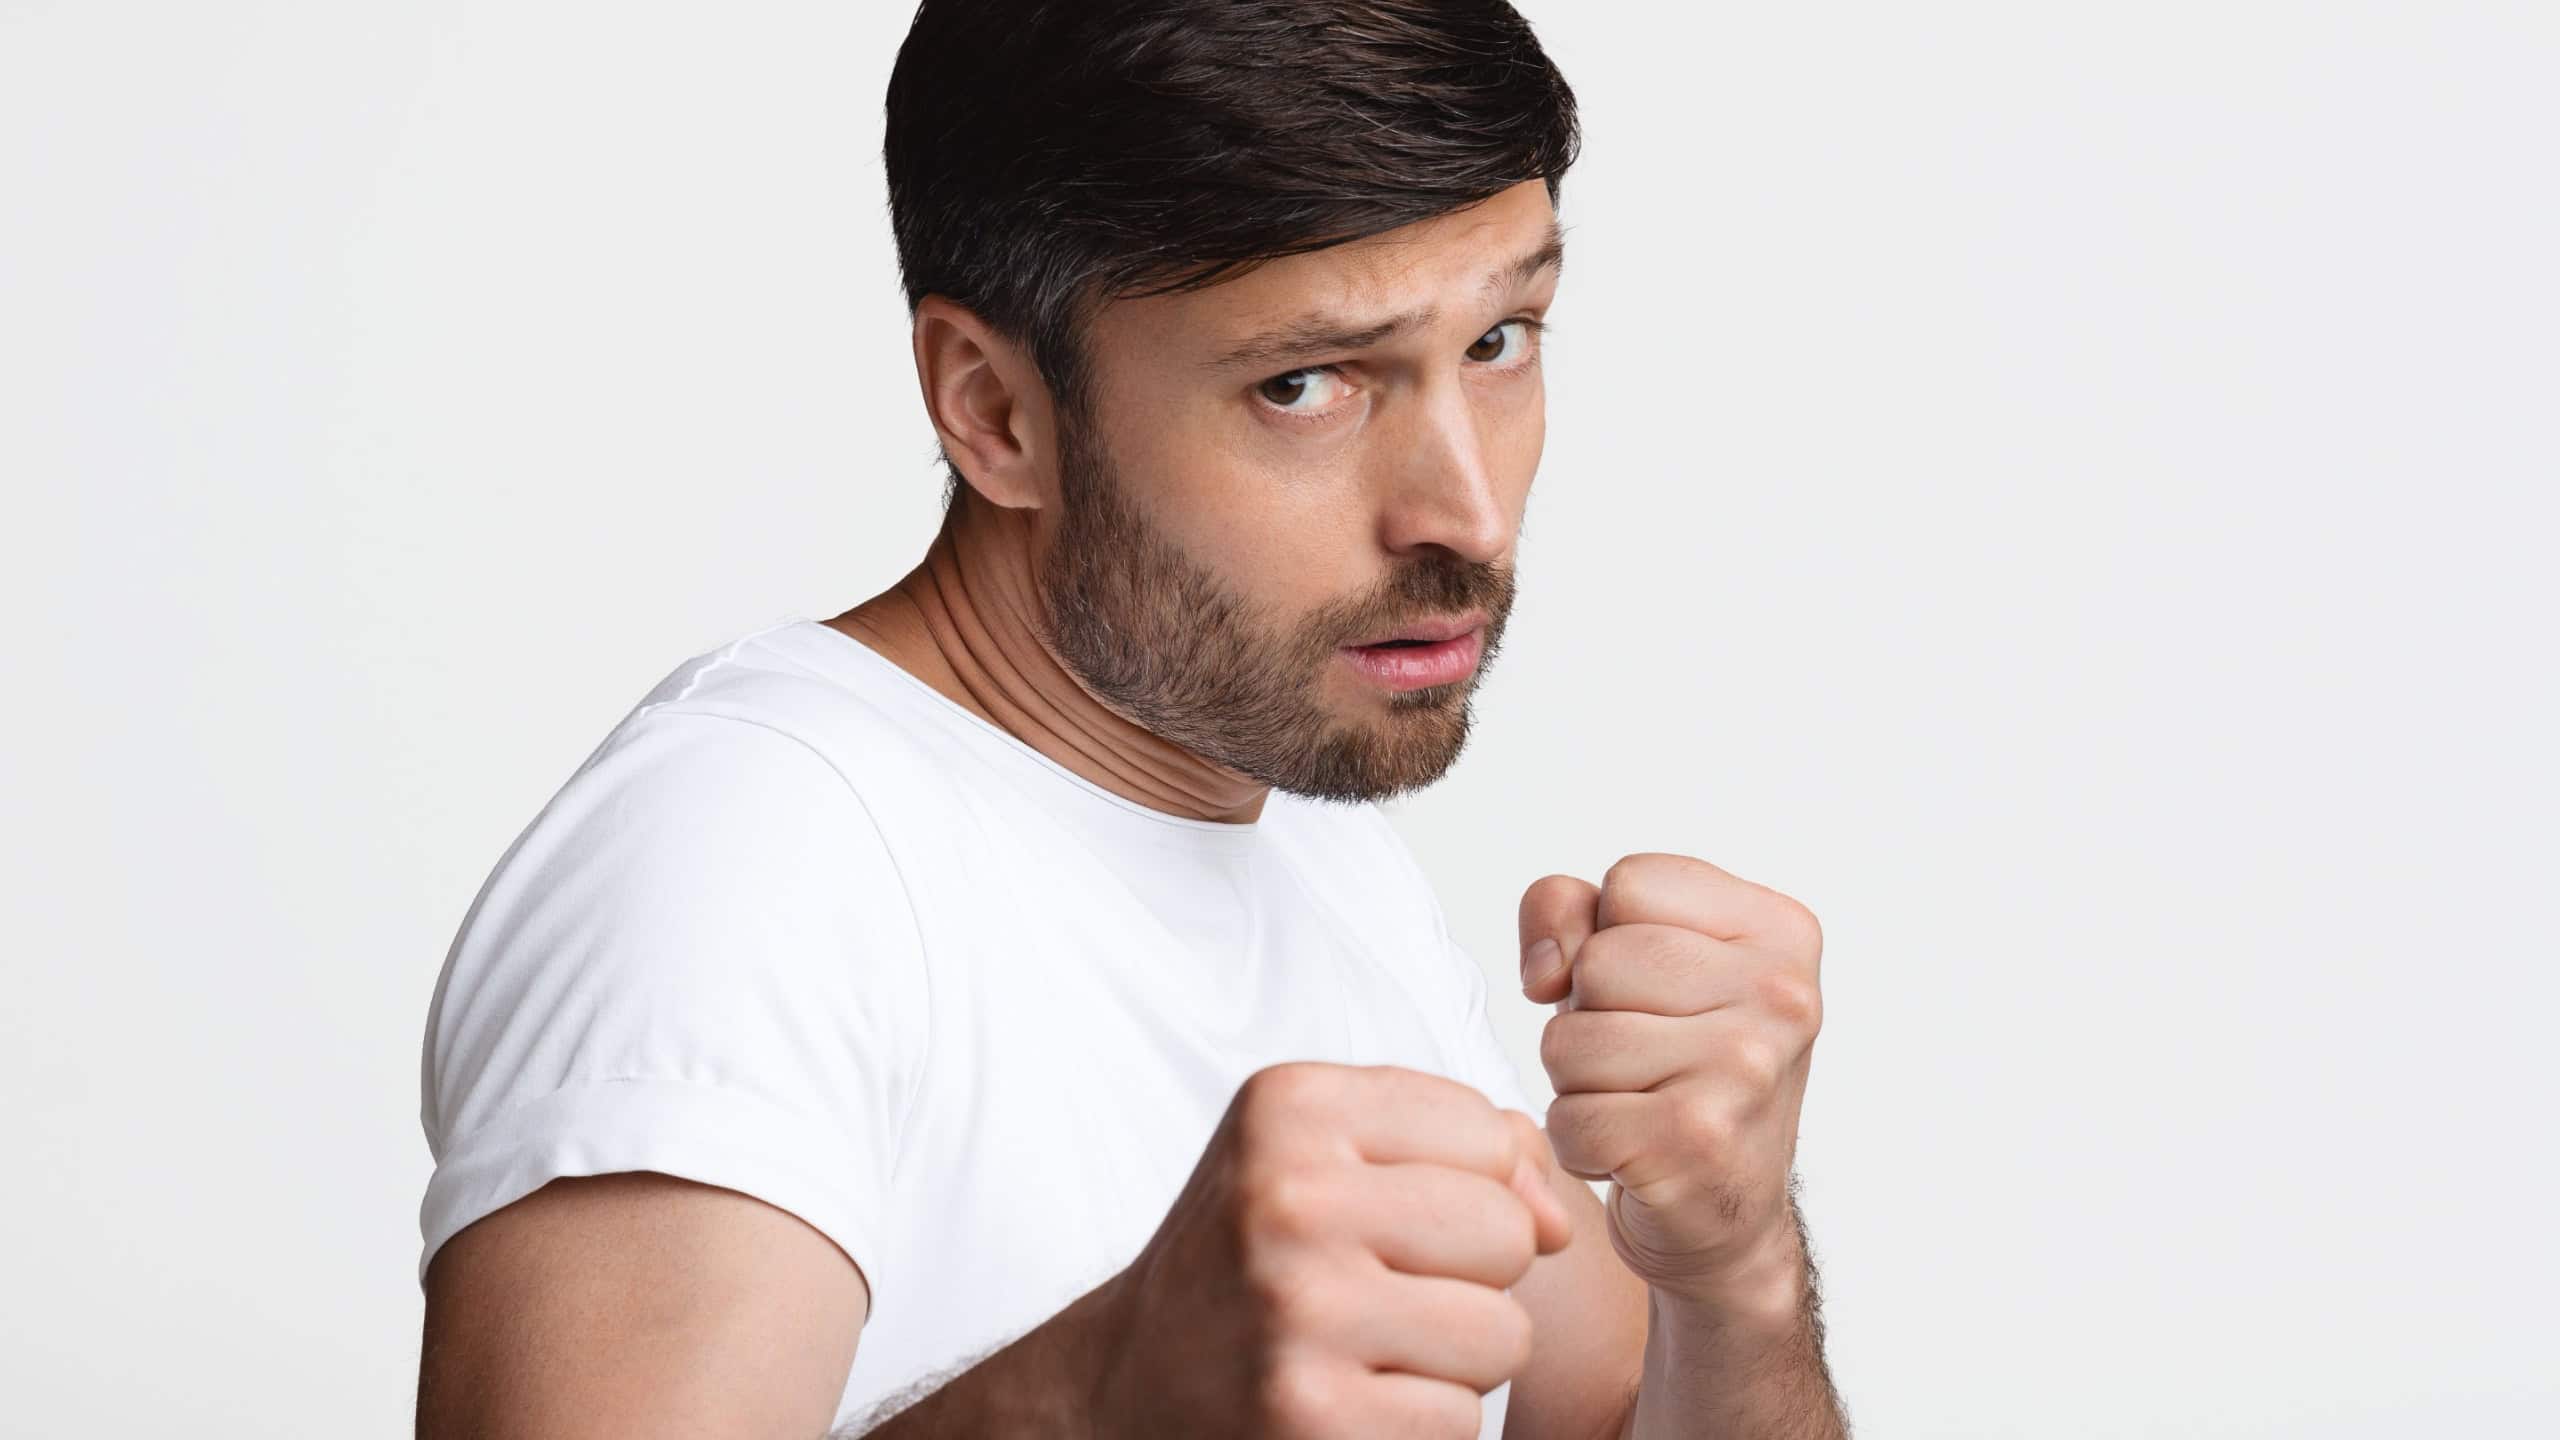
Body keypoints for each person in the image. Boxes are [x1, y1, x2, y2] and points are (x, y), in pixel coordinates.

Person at [414, 2, 1847, 1436]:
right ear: (997, 412)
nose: (1465, 511)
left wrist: (1735, 1274)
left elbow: (1607, 1414)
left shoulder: (1314, 858)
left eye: (1501, 339)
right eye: (1305, 383)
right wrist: (1093, 1397)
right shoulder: (745, 863)